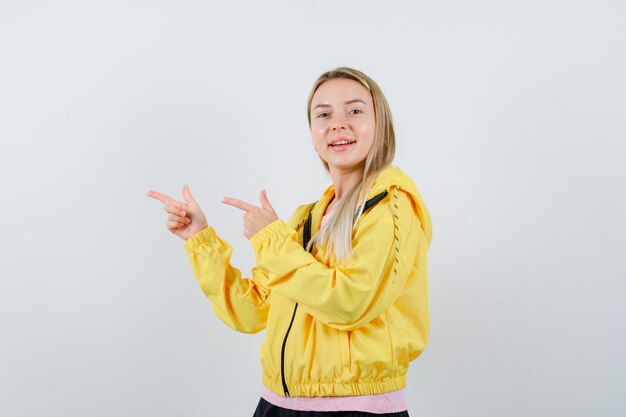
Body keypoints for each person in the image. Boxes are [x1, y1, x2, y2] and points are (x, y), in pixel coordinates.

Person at [147, 67, 433, 417]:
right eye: (323, 114)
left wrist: (271, 239)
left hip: (356, 410)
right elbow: (250, 312)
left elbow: (351, 301)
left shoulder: (391, 205)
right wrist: (200, 240)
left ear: (381, 125)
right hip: (276, 405)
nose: (338, 124)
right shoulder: (305, 219)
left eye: (355, 111)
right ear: (313, 133)